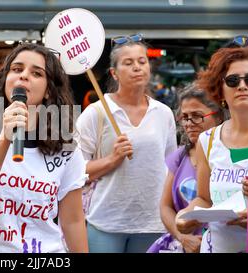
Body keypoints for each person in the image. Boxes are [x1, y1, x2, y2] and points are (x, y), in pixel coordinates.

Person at [0, 43, 88, 253]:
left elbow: (73, 221)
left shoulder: (66, 145)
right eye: (17, 69)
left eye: (36, 73)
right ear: (5, 79)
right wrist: (4, 138)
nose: (24, 76)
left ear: (48, 90)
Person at [75, 34, 177, 253]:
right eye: (128, 63)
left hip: (153, 222)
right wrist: (112, 159)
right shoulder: (97, 112)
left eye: (142, 62)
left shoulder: (164, 113)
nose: (137, 68)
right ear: (114, 73)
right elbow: (75, 171)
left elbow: (171, 169)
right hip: (106, 223)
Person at [176, 46, 248, 253]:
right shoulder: (208, 140)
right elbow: (204, 199)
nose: (243, 86)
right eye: (233, 80)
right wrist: (185, 217)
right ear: (221, 91)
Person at [147, 85, 224, 253]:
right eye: (185, 117)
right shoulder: (180, 156)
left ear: (218, 117)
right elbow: (165, 207)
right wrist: (182, 237)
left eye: (197, 116)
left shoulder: (228, 156)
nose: (189, 124)